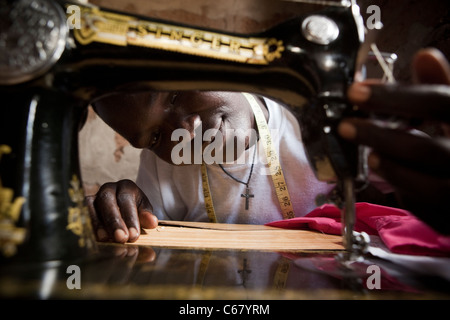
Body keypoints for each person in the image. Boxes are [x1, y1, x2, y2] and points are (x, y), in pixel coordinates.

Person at [87, 48, 450, 243]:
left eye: (178, 94)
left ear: (216, 60)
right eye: (153, 137)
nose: (186, 128)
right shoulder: (161, 166)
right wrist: (127, 207)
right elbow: (151, 229)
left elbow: (426, 176)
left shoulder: (325, 127)